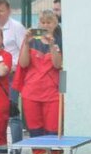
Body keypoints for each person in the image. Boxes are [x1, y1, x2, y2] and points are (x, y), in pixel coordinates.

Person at [0, 0, 27, 154]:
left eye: (1, 10)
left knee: (13, 115)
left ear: (8, 11)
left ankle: (17, 153)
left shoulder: (17, 27)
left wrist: (12, 65)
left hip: (12, 75)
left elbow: (24, 50)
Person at [18, 10, 63, 140]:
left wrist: (52, 45)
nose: (45, 25)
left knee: (54, 132)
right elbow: (23, 63)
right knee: (35, 132)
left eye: (49, 22)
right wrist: (26, 43)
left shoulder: (60, 41)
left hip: (52, 94)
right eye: (43, 22)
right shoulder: (31, 41)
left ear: (55, 24)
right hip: (31, 93)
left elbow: (57, 64)